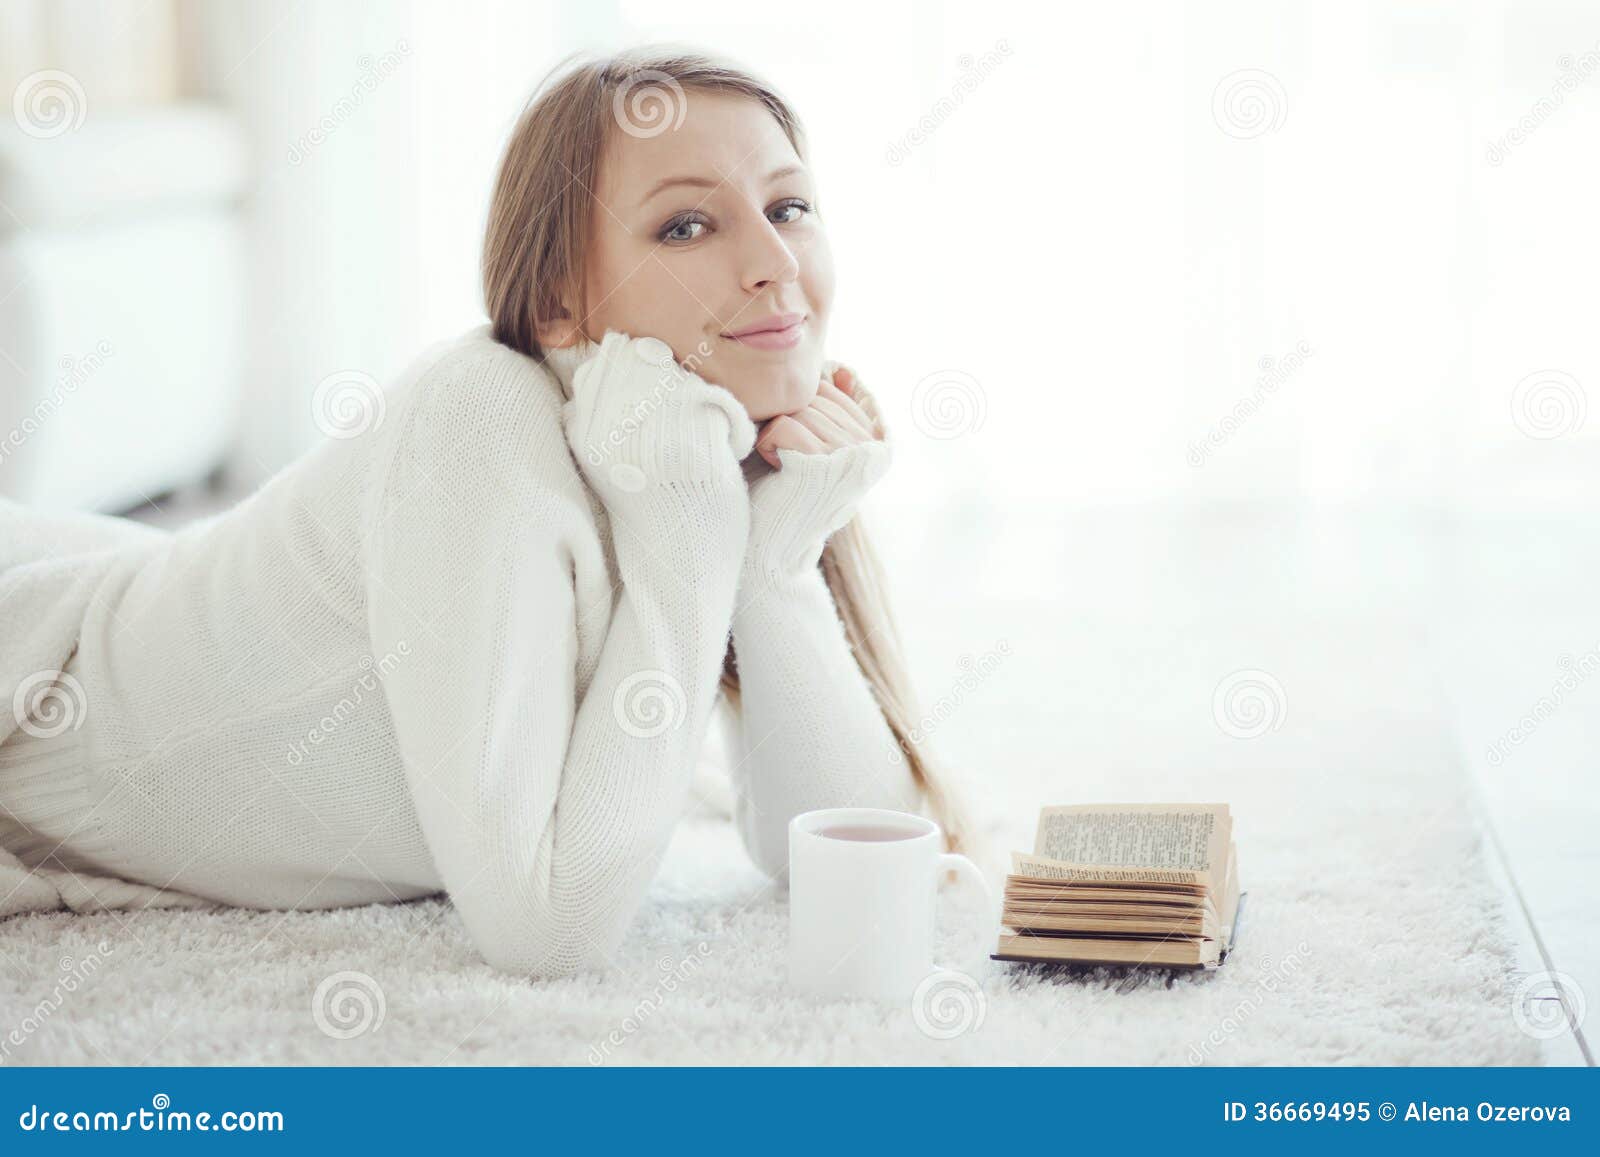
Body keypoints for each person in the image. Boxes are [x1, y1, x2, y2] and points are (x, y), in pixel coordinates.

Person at [0, 46, 962, 977]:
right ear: (557, 308)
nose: (770, 261)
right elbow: (545, 928)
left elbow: (848, 848)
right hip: (50, 679)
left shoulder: (708, 439)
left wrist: (777, 558)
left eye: (788, 206)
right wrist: (694, 532)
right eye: (686, 227)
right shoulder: (480, 415)